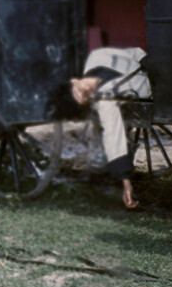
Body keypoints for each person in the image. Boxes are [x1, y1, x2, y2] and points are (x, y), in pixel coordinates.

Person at [63, 47, 150, 210]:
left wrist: (148, 61)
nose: (87, 93)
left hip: (156, 69)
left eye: (82, 91)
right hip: (146, 88)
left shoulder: (95, 57)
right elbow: (113, 135)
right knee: (107, 128)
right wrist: (126, 183)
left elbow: (134, 52)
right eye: (86, 98)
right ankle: (105, 174)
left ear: (76, 81)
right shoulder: (105, 100)